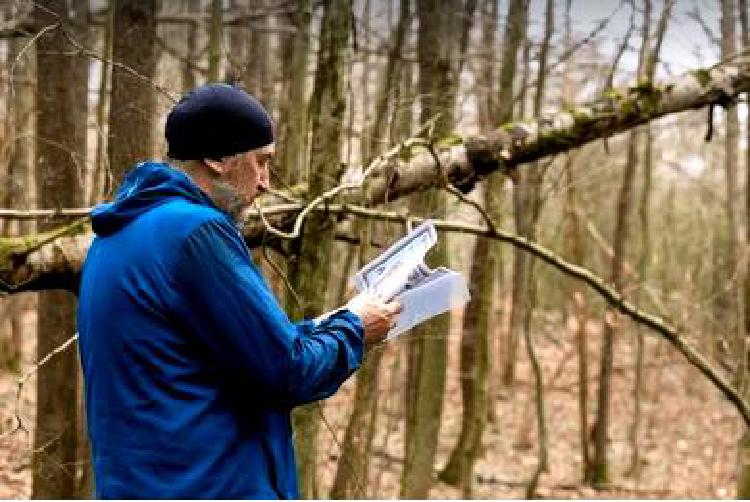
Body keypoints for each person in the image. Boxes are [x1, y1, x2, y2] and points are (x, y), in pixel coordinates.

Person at [77, 83, 401, 499]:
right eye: (261, 162)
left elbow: (222, 355)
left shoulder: (118, 235)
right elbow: (287, 371)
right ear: (216, 158)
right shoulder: (195, 231)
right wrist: (354, 330)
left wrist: (326, 326)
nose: (266, 182)